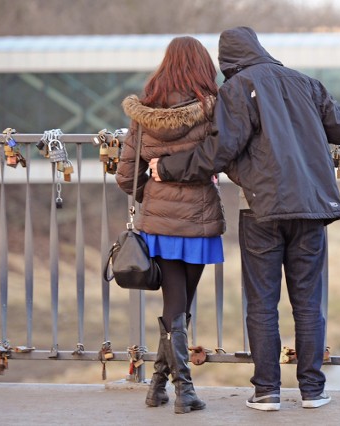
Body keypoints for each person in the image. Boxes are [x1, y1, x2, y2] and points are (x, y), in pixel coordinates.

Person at [149, 26, 340, 411]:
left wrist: (169, 168)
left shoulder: (238, 88)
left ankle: (266, 392)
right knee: (308, 303)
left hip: (261, 208)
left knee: (262, 303)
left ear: (227, 60)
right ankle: (312, 391)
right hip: (311, 206)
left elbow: (220, 149)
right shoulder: (305, 83)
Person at [115, 36, 225, 414]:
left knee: (175, 304)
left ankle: (158, 386)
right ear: (201, 67)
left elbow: (125, 174)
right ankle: (185, 392)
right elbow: (218, 157)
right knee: (181, 303)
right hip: (198, 220)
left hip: (158, 224)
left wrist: (153, 190)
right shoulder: (211, 110)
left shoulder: (142, 113)